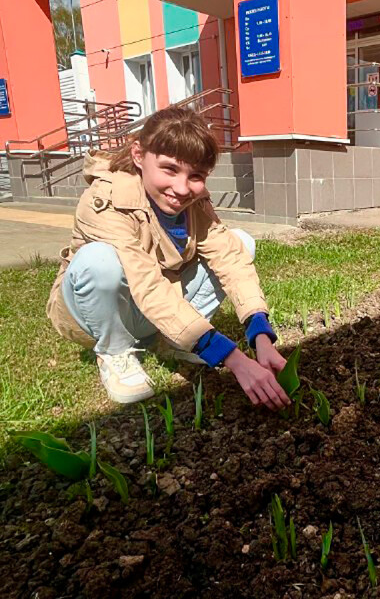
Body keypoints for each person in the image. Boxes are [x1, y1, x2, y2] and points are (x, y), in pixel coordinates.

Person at [46, 107, 291, 410]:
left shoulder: (194, 202)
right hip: (101, 309)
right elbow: (146, 283)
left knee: (240, 243)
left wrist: (259, 334)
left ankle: (174, 340)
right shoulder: (105, 201)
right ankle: (115, 352)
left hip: (154, 304)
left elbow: (229, 258)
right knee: (99, 261)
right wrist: (233, 358)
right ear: (138, 155)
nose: (181, 188)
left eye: (196, 175)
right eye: (170, 169)